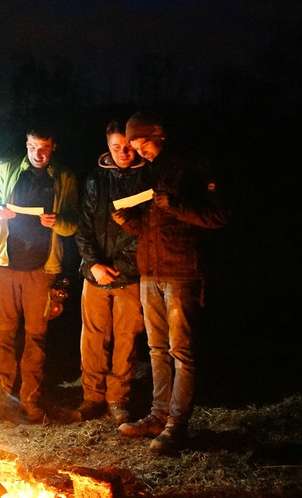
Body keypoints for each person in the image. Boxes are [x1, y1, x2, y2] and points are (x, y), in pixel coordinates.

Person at [113, 112, 230, 453]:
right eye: (135, 146)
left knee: (182, 352)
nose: (141, 151)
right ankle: (157, 416)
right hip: (150, 271)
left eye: (143, 144)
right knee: (156, 349)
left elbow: (220, 215)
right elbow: (150, 227)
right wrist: (128, 221)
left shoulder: (193, 164)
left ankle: (177, 424)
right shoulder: (150, 171)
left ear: (160, 136)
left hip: (183, 271)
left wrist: (178, 205)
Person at [0, 125, 79, 423]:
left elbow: (72, 224)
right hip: (6, 264)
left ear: (53, 147)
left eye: (44, 148)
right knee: (2, 335)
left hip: (42, 268)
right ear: (26, 145)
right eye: (33, 147)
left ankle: (30, 400)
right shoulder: (10, 169)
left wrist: (56, 222)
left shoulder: (64, 177)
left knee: (36, 337)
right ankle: (0, 397)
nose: (38, 154)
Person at [73, 120, 149, 425]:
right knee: (93, 337)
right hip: (96, 273)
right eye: (116, 147)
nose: (123, 153)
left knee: (126, 339)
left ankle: (118, 398)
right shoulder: (95, 181)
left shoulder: (148, 178)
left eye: (127, 147)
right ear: (107, 147)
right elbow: (84, 228)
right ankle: (92, 397)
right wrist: (93, 264)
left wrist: (126, 267)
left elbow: (146, 231)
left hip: (130, 274)